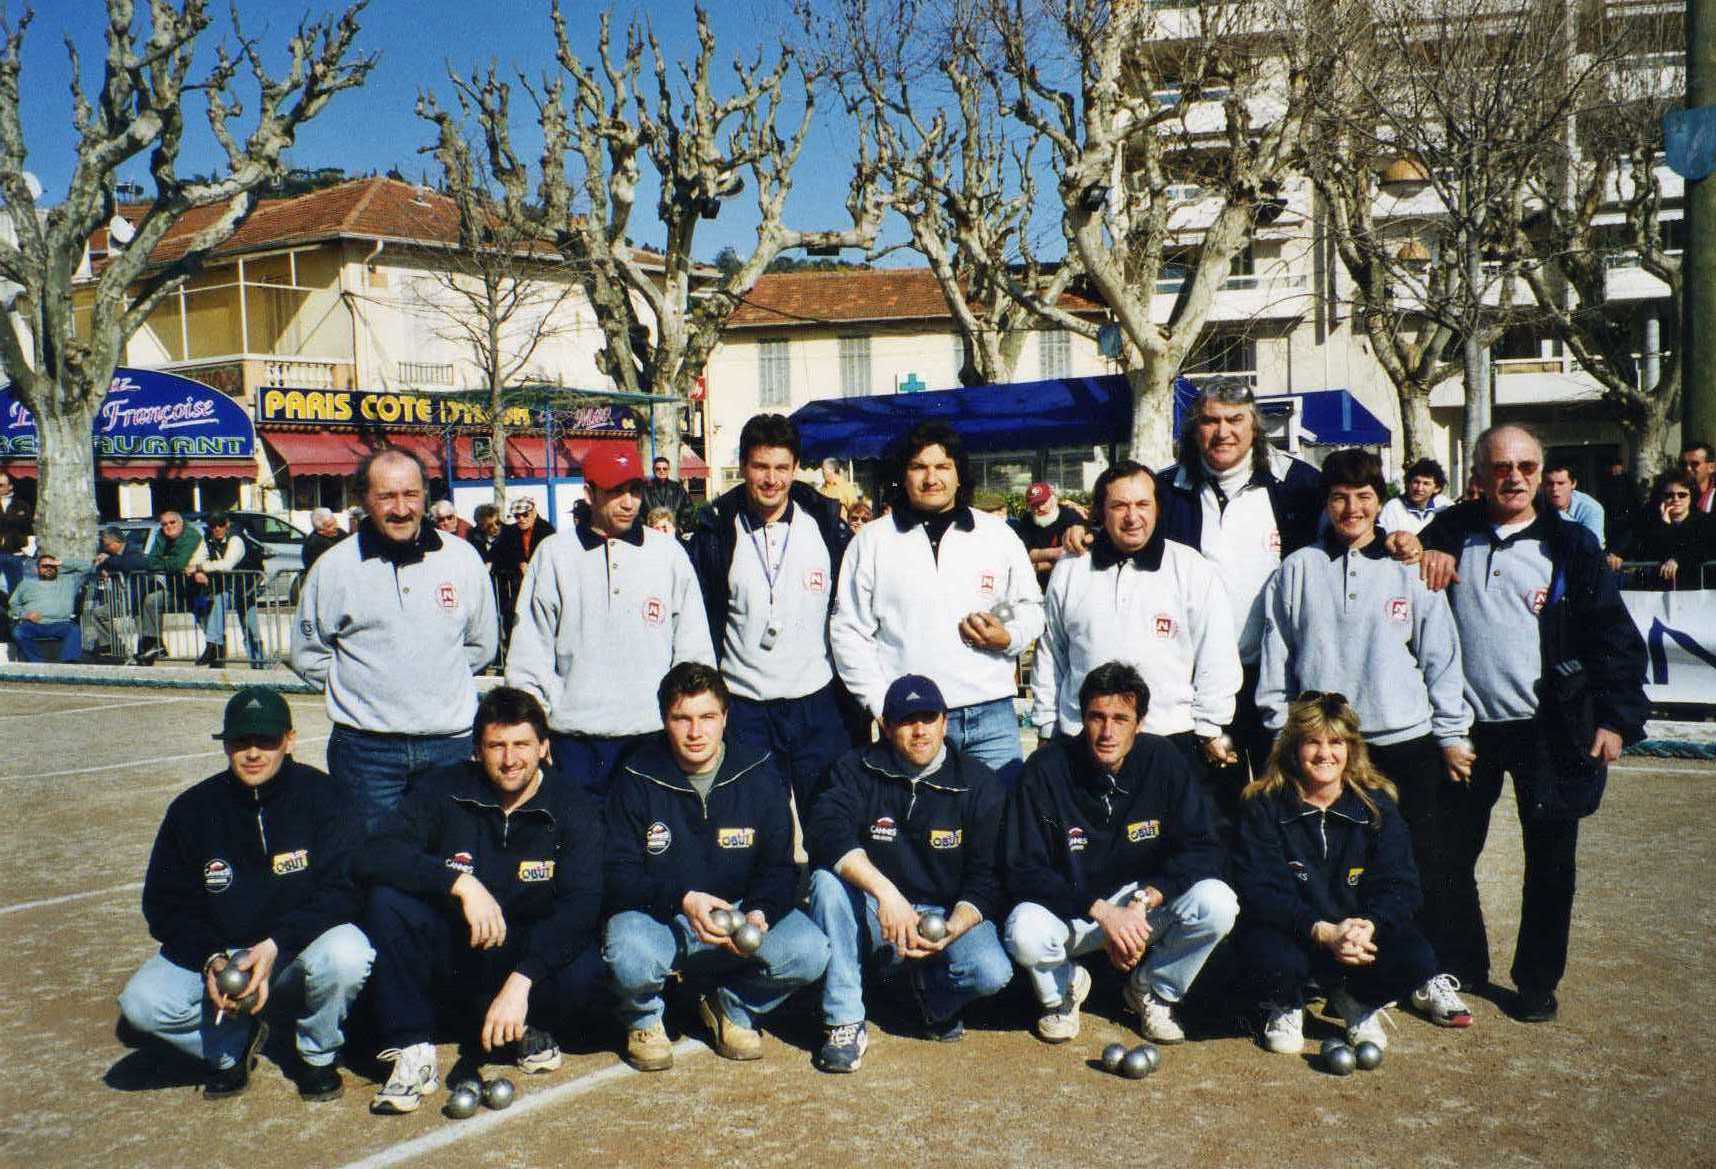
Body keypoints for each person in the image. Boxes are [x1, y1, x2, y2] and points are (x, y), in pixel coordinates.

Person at [1417, 424, 1648, 1022]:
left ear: (1541, 473)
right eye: (1500, 467)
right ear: (1479, 476)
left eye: (1525, 466)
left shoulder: (1572, 547)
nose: (1513, 477)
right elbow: (1402, 551)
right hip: (1468, 731)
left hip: (1551, 730)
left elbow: (1615, 640)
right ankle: (1461, 963)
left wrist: (1616, 720)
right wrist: (1417, 547)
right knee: (1446, 855)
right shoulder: (1448, 536)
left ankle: (1536, 980)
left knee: (1550, 865)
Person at [1256, 448, 1476, 1027]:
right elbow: (1277, 654)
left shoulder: (1410, 567)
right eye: (1339, 497)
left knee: (1418, 863)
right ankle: (1325, 974)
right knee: (1323, 868)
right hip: (1324, 747)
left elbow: (1440, 656)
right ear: (1325, 504)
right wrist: (1278, 725)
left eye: (1364, 497)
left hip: (1402, 738)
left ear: (1381, 502)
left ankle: (1423, 974)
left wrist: (1452, 735)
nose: (1351, 508)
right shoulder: (1298, 568)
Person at [1157, 379, 1419, 791]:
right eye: (1210, 421)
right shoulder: (1166, 490)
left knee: (1281, 801)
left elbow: (1349, 525)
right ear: (1194, 429)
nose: (1223, 432)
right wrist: (1081, 536)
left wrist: (1393, 539)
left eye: (1235, 420)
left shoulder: (1298, 484)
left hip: (1274, 681)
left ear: (1254, 427)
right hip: (1199, 683)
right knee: (1209, 807)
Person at [357, 688, 607, 1114]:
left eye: (522, 745)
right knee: (387, 902)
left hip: (528, 957)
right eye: (496, 746)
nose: (510, 759)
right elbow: (374, 854)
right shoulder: (444, 790)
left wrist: (522, 981)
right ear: (477, 751)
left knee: (587, 971)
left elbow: (583, 904)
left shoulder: (574, 805)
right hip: (461, 948)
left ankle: (527, 1025)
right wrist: (459, 884)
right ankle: (413, 1047)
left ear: (545, 748)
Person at [117, 687, 373, 1101]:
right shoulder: (192, 810)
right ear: (226, 744)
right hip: (223, 952)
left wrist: (276, 945)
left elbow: (345, 889)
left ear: (289, 740)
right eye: (241, 742)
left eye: (266, 742)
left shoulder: (325, 797)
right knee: (142, 1005)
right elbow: (164, 904)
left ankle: (316, 1054)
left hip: (293, 947)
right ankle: (231, 1045)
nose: (253, 753)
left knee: (350, 953)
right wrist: (211, 960)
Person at [602, 663, 830, 1070]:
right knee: (627, 950)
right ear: (664, 720)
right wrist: (682, 899)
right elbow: (618, 873)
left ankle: (732, 1007)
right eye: (682, 719)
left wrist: (759, 912)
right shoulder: (636, 774)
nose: (695, 732)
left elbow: (779, 866)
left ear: (725, 717)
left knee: (811, 950)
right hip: (666, 915)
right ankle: (644, 1020)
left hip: (738, 913)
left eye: (707, 717)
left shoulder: (758, 771)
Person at [1003, 662, 1238, 1045]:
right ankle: (1063, 990)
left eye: (1120, 718)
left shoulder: (1163, 760)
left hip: (1140, 908)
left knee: (1218, 901)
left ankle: (1152, 989)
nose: (1108, 732)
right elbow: (1023, 869)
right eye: (1097, 717)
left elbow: (1204, 847)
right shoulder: (1046, 770)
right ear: (1082, 717)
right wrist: (1103, 912)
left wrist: (1146, 899)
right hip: (1078, 912)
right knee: (1024, 929)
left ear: (1140, 722)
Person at [804, 675, 1013, 1071]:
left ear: (945, 722)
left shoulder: (978, 783)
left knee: (992, 971)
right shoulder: (856, 768)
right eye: (906, 720)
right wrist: (887, 894)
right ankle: (844, 1020)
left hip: (945, 912)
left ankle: (926, 995)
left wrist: (953, 926)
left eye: (928, 718)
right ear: (885, 725)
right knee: (827, 884)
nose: (919, 731)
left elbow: (989, 877)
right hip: (879, 910)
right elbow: (826, 834)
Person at [289, 448, 498, 829]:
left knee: (452, 859)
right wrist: (362, 691)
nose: (400, 509)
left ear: (425, 496)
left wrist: (431, 680)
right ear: (364, 499)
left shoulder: (462, 559)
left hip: (449, 745)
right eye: (386, 496)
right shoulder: (334, 568)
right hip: (366, 753)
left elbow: (481, 644)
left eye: (411, 494)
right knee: (373, 864)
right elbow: (308, 654)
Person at [1233, 694, 1450, 1054]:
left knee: (1417, 957)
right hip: (1296, 933)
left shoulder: (1376, 804)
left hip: (1353, 937)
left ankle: (1356, 999)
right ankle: (1286, 1003)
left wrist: (1368, 925)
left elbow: (1401, 884)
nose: (1324, 754)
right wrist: (1321, 930)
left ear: (1352, 748)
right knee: (1267, 955)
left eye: (1336, 742)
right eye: (1312, 742)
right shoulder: (1264, 803)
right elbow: (1260, 889)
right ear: (1292, 747)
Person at [831, 421, 1043, 775]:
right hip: (911, 721)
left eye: (943, 466)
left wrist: (1009, 637)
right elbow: (848, 631)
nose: (932, 478)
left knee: (999, 826)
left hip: (991, 718)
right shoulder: (871, 542)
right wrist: (880, 702)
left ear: (960, 475)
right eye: (919, 467)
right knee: (918, 828)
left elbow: (1032, 609)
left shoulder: (997, 536)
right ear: (903, 474)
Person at [506, 446, 714, 797]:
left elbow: (693, 649)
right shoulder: (555, 555)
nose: (629, 502)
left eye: (635, 490)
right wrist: (534, 730)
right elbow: (530, 653)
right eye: (616, 491)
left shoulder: (668, 555)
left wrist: (688, 723)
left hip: (652, 737)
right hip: (574, 742)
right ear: (589, 493)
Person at [1031, 461, 1242, 793]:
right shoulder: (1071, 569)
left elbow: (1216, 654)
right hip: (1084, 737)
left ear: (1158, 508)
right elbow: (1051, 653)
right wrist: (1045, 725)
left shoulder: (1189, 568)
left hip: (1167, 736)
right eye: (1119, 505)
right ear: (1100, 511)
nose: (1132, 516)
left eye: (1142, 504)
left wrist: (1210, 725)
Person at [688, 414, 856, 814]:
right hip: (746, 706)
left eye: (782, 468)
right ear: (745, 466)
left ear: (796, 469)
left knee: (830, 823)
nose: (771, 479)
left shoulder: (826, 525)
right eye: (760, 467)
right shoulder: (716, 530)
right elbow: (700, 620)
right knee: (758, 830)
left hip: (816, 703)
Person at [1608, 468, 1715, 590]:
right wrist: (1617, 556)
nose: (1676, 499)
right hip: (1657, 593)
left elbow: (1704, 549)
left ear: (1691, 496)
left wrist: (1678, 560)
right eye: (1669, 495)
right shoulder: (1650, 522)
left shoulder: (1706, 522)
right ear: (1661, 497)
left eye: (1682, 495)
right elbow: (1633, 544)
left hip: (1693, 590)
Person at [192, 512, 266, 669]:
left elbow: (227, 565)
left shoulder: (236, 538)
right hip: (230, 585)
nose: (217, 529)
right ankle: (215, 645)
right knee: (223, 600)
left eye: (220, 524)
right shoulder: (208, 538)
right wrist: (198, 569)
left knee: (250, 626)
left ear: (227, 524)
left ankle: (258, 663)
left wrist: (200, 568)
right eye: (212, 526)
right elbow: (197, 558)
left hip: (248, 584)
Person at [134, 509, 206, 664]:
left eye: (172, 522)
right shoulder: (161, 535)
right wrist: (172, 562)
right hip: (176, 589)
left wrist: (167, 561)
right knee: (151, 601)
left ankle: (216, 653)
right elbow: (151, 562)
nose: (168, 526)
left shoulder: (191, 535)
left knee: (206, 620)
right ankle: (155, 644)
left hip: (199, 588)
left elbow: (179, 564)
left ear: (180, 522)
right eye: (164, 524)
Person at [87, 525, 159, 662]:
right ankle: (111, 647)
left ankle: (145, 657)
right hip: (124, 599)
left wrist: (107, 561)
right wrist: (103, 566)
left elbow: (130, 564)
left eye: (106, 545)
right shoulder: (112, 555)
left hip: (138, 599)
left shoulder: (133, 550)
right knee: (98, 613)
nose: (105, 548)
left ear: (115, 543)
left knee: (142, 633)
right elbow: (101, 565)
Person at [7, 551, 84, 662]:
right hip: (34, 625)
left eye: (52, 566)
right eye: (44, 566)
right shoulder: (26, 584)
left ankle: (68, 665)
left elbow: (88, 567)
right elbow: (13, 605)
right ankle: (39, 663)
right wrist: (26, 615)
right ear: (38, 569)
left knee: (73, 630)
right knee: (18, 632)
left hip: (60, 623)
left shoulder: (69, 581)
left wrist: (61, 562)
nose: (48, 568)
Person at [1013, 481, 1088, 590]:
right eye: (1034, 505)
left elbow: (1079, 551)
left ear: (1053, 499)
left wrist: (1040, 562)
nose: (1040, 508)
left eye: (1043, 502)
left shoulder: (1069, 515)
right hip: (1039, 583)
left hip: (1070, 579)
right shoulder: (1027, 520)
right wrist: (1056, 553)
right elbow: (1025, 554)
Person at [490, 498, 555, 618]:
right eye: (517, 516)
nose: (521, 519)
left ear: (533, 512)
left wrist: (531, 566)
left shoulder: (547, 530)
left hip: (540, 579)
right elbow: (498, 552)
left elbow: (550, 556)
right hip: (517, 582)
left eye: (525, 515)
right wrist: (520, 562)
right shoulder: (510, 531)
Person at [1379, 458, 1453, 536]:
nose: (1419, 488)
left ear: (1436, 488)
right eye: (1416, 482)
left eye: (1426, 484)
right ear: (1408, 483)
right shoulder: (1393, 507)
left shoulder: (1444, 505)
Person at [1542, 461, 1606, 548]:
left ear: (1573, 484)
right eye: (1549, 483)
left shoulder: (1590, 508)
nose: (1554, 489)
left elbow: (1591, 547)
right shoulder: (1533, 504)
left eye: (1561, 483)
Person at [641, 454, 696, 536]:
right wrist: (647, 528)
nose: (661, 471)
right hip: (651, 534)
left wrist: (680, 527)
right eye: (658, 469)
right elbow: (639, 513)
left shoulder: (678, 489)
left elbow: (688, 509)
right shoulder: (644, 489)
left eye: (665, 468)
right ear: (653, 470)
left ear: (669, 470)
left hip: (674, 533)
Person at [301, 508, 346, 573]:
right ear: (320, 531)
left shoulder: (339, 533)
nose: (336, 526)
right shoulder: (315, 544)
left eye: (335, 522)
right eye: (330, 525)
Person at [1681, 440, 1714, 513]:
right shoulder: (1671, 495)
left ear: (1711, 467)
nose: (1688, 468)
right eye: (1683, 464)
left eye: (1694, 464)